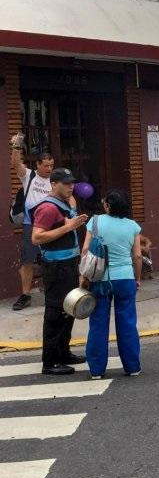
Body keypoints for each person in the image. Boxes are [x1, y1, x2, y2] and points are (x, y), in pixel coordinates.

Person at [30, 168, 89, 375]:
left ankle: (64, 352)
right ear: (53, 184)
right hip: (56, 268)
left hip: (69, 264)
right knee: (55, 312)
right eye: (65, 183)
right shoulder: (47, 208)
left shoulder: (64, 203)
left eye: (72, 183)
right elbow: (36, 238)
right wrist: (69, 226)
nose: (70, 186)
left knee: (69, 309)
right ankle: (50, 361)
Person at [80, 189, 142, 378]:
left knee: (98, 323)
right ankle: (132, 367)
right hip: (125, 278)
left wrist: (83, 276)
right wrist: (137, 278)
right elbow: (137, 255)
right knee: (128, 323)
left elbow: (85, 250)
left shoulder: (96, 221)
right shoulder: (133, 226)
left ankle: (96, 369)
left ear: (108, 206)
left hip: (100, 278)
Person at [10, 133, 54, 311]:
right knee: (27, 260)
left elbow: (69, 196)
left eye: (52, 165)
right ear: (37, 165)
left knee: (52, 259)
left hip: (52, 226)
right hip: (31, 225)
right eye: (46, 166)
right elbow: (15, 164)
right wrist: (16, 146)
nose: (49, 169)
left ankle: (52, 292)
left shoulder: (56, 179)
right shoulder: (29, 176)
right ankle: (25, 295)